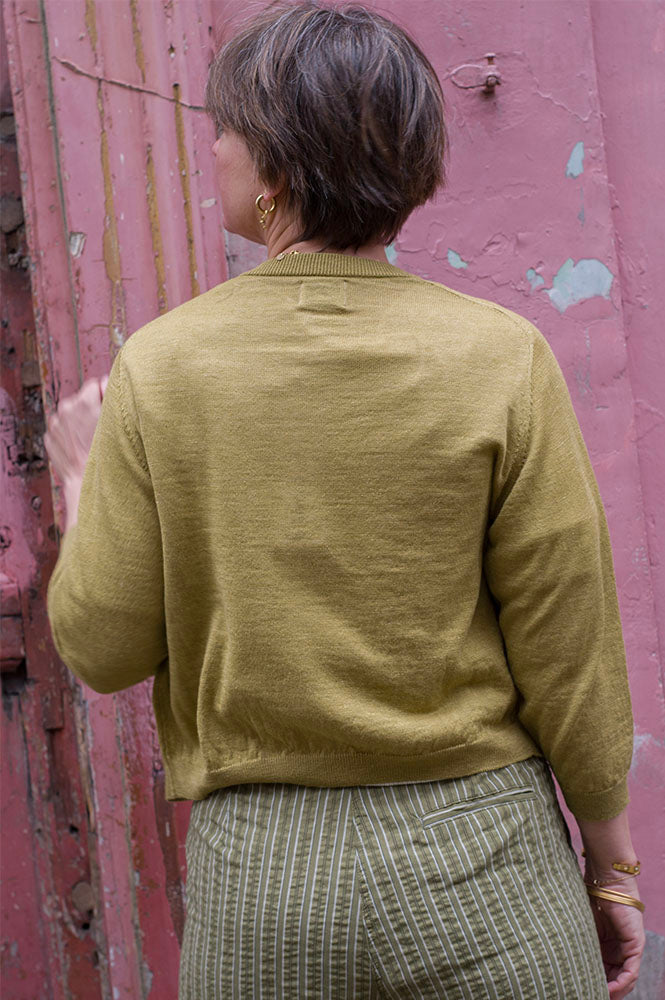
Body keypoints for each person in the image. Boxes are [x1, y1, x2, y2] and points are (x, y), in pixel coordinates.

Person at [44, 1, 646, 997]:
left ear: (274, 169)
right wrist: (611, 867)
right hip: (485, 857)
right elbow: (567, 650)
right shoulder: (499, 356)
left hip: (261, 877)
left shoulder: (163, 367)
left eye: (225, 131)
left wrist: (79, 478)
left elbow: (102, 649)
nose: (214, 151)